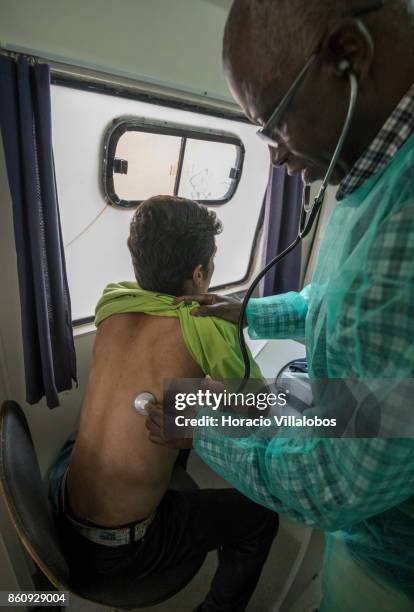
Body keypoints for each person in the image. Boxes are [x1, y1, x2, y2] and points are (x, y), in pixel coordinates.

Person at [147, 2, 414, 611]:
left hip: (394, 570)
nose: (275, 157)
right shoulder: (375, 171)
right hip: (357, 473)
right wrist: (251, 314)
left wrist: (204, 428)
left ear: (347, 54)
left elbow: (335, 481)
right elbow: (341, 298)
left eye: (272, 126)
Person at [48, 195, 278, 612]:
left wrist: (196, 391)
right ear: (199, 273)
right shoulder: (205, 325)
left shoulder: (112, 301)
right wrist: (214, 392)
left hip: (59, 506)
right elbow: (261, 410)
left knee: (111, 427)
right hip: (119, 550)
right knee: (260, 520)